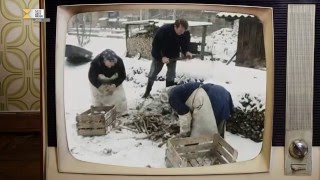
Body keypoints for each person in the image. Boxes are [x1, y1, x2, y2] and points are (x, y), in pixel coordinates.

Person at [160, 82, 234, 138]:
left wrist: (184, 132)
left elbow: (185, 114)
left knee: (201, 134)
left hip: (207, 96)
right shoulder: (183, 88)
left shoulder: (172, 97)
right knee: (219, 129)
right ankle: (218, 150)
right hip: (222, 92)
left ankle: (205, 152)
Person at [142, 19, 193, 98]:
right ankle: (147, 93)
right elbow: (155, 46)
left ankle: (169, 94)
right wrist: (161, 57)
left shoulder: (185, 33)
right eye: (180, 30)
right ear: (175, 26)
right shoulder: (164, 30)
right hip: (160, 54)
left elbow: (185, 44)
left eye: (184, 31)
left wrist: (186, 51)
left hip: (173, 56)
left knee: (171, 75)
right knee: (153, 74)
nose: (182, 33)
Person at [88, 49, 127, 115]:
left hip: (114, 80)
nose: (111, 66)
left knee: (119, 95)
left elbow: (123, 75)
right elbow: (91, 77)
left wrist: (115, 85)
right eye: (109, 64)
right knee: (98, 97)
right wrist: (100, 86)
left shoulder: (119, 61)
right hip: (99, 80)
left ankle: (120, 112)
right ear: (104, 60)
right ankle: (99, 112)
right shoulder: (95, 63)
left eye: (113, 64)